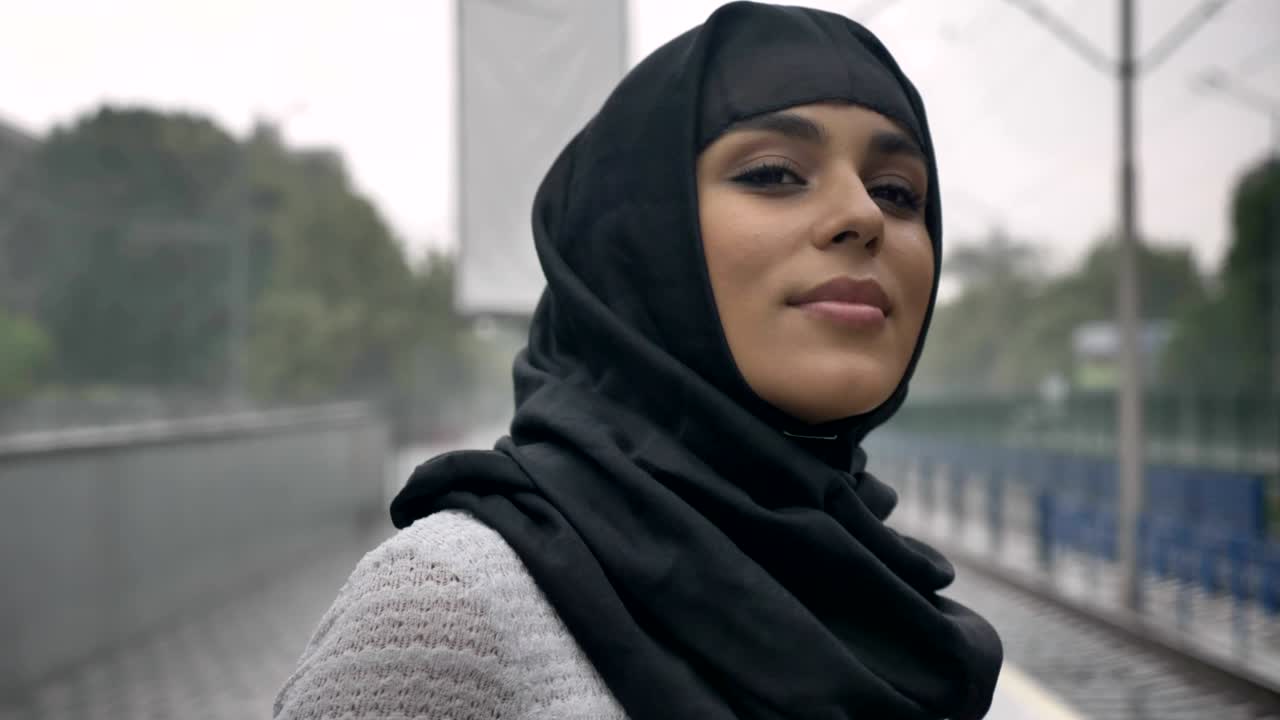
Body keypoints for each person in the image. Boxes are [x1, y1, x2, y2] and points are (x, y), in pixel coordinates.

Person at [273, 2, 1003, 718]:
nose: (865, 216)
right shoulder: (443, 616)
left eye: (898, 192)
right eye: (775, 173)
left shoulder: (893, 608)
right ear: (642, 241)